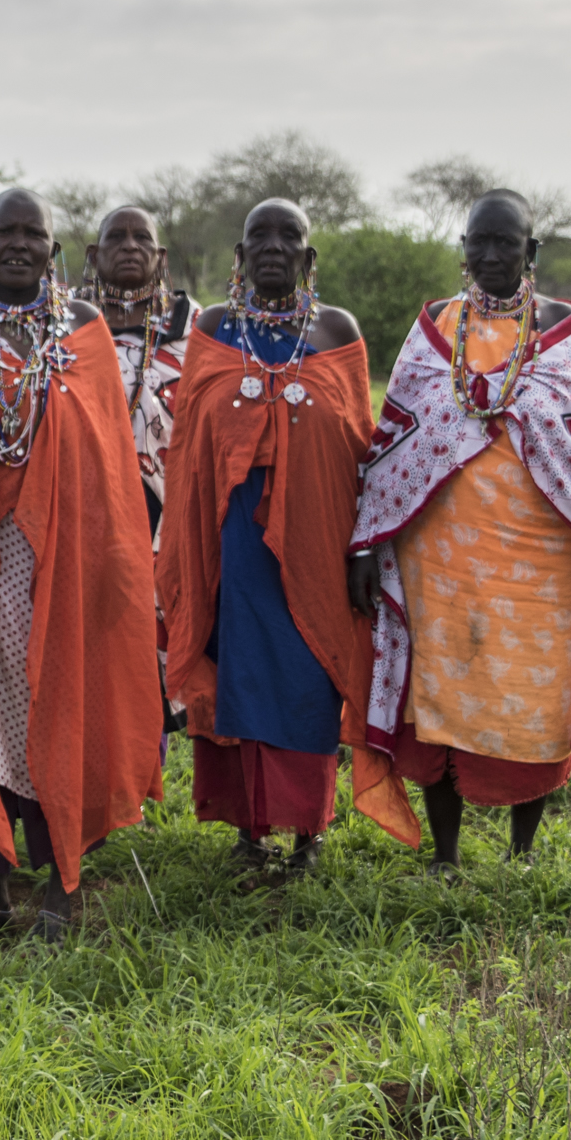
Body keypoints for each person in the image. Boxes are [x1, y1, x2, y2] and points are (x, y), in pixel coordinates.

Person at [0, 186, 166, 951]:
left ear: (54, 250)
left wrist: (113, 567)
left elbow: (110, 465)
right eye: (2, 233)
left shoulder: (82, 332)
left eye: (34, 234)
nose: (18, 244)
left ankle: (60, 887)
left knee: (64, 709)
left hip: (67, 569)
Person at [350, 193, 571, 866]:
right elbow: (392, 438)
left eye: (504, 244)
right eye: (478, 242)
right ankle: (446, 855)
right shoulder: (435, 328)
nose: (490, 256)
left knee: (536, 701)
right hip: (443, 554)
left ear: (530, 253)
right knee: (440, 696)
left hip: (545, 558)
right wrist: (369, 541)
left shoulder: (567, 336)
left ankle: (523, 851)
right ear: (463, 249)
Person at [159, 200, 373, 875]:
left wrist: (362, 547)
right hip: (232, 541)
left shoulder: (338, 330)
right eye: (260, 238)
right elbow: (189, 441)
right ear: (240, 257)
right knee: (240, 672)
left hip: (317, 539)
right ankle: (250, 832)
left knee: (311, 672)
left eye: (290, 238)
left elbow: (361, 444)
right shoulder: (216, 330)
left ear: (310, 259)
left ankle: (309, 833)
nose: (274, 248)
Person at [88, 203, 192, 537]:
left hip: (173, 502)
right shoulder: (63, 324)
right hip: (83, 499)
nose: (130, 246)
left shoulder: (198, 328)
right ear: (94, 255)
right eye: (116, 237)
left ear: (160, 256)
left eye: (142, 238)